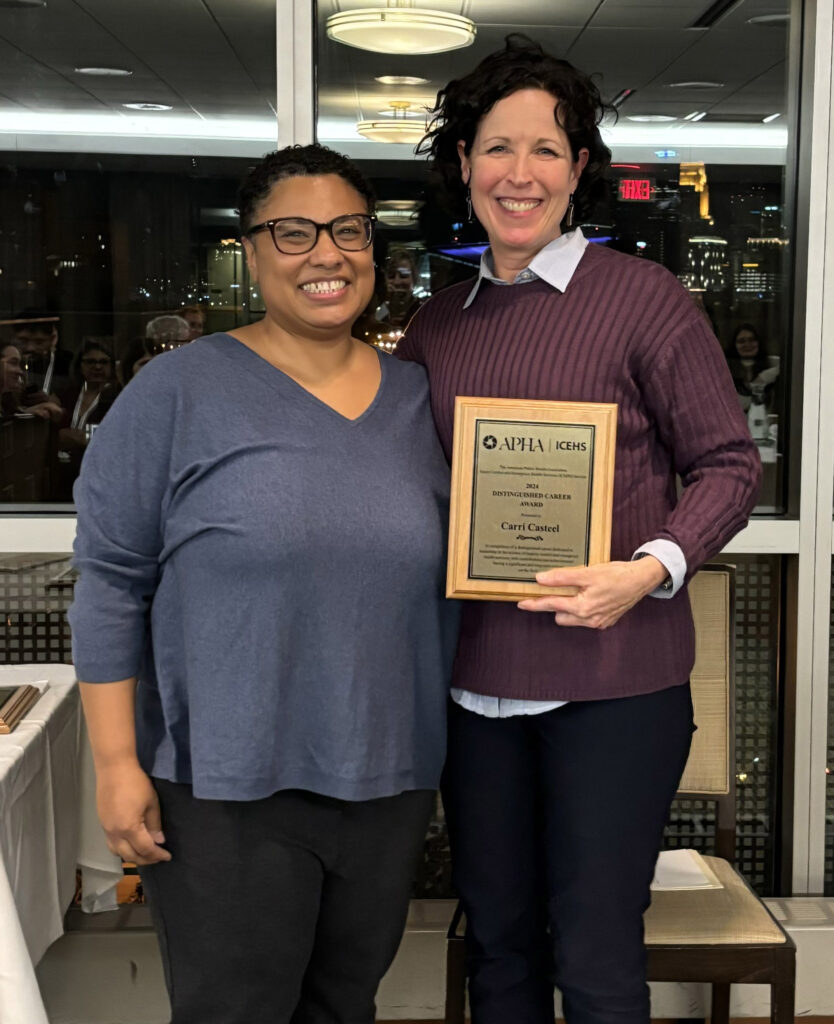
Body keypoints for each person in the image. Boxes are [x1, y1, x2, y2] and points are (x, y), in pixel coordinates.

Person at [400, 36, 762, 1024]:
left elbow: (732, 466)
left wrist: (646, 570)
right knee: (500, 946)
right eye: (497, 148)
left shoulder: (646, 302)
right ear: (464, 165)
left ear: (580, 169)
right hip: (474, 688)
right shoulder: (436, 326)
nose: (520, 173)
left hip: (617, 687)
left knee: (598, 950)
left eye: (547, 150)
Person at [68, 143, 457, 1024]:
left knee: (343, 1007)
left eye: (348, 230)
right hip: (227, 789)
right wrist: (117, 764)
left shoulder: (418, 401)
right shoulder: (175, 393)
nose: (328, 253)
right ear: (250, 250)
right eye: (294, 231)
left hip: (387, 781)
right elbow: (110, 585)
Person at [726, 322, 779, 412]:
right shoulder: (726, 369)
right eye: (741, 341)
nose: (747, 344)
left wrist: (764, 376)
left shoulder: (771, 362)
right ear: (734, 345)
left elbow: (793, 366)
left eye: (752, 340)